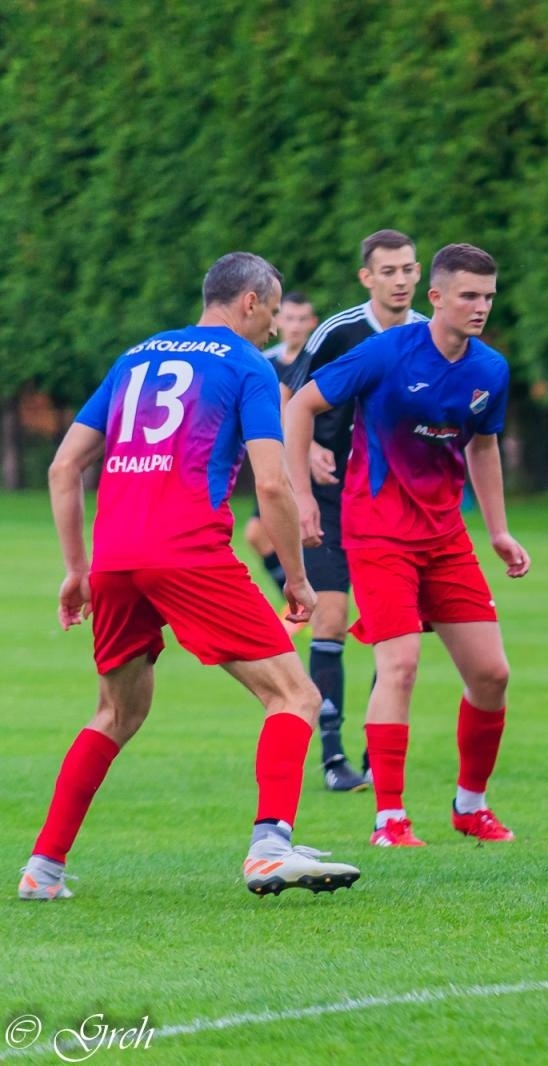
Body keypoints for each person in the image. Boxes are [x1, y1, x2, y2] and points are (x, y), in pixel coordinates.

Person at [18, 253, 360, 901]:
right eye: (270, 311)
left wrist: (76, 569)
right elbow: (271, 482)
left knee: (115, 711)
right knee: (295, 696)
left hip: (115, 560)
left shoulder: (135, 357)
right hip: (188, 555)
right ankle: (269, 846)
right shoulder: (246, 365)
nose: (268, 332)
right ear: (252, 303)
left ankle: (44, 869)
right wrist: (296, 577)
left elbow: (64, 469)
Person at [285, 243, 529, 848]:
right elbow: (299, 406)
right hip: (378, 536)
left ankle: (470, 805)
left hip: (446, 538)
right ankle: (389, 819)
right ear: (437, 297)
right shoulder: (387, 351)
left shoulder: (490, 369)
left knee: (492, 674)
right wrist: (303, 497)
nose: (481, 307)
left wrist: (497, 529)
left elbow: (482, 446)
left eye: (489, 296)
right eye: (469, 295)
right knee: (400, 665)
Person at [285, 230, 428, 792]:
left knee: (391, 630)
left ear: (420, 276)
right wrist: (310, 452)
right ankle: (333, 754)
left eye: (407, 269)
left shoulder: (428, 336)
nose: (399, 279)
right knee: (333, 618)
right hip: (328, 496)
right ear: (367, 278)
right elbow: (292, 397)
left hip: (390, 502)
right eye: (387, 271)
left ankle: (376, 751)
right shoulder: (338, 331)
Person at [246, 291, 318, 596]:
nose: (296, 326)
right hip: (277, 464)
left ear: (313, 323)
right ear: (278, 320)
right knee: (255, 533)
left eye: (303, 319)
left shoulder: (322, 362)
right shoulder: (264, 362)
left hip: (315, 466)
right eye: (289, 318)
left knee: (313, 535)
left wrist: (314, 448)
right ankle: (296, 594)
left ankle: (314, 598)